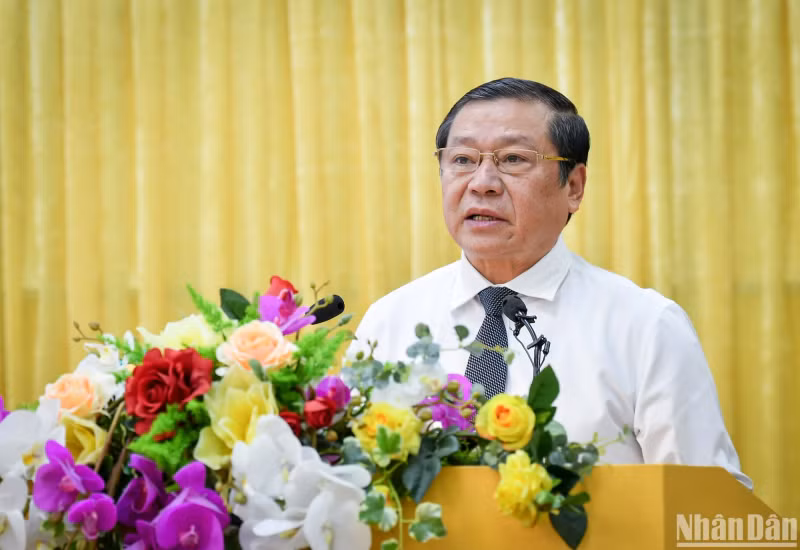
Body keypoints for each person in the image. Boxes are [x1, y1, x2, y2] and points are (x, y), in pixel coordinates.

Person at [353, 77, 751, 488]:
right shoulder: (390, 322)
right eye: (462, 159)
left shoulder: (646, 326)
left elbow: (708, 501)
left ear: (573, 187)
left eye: (513, 159)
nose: (482, 182)